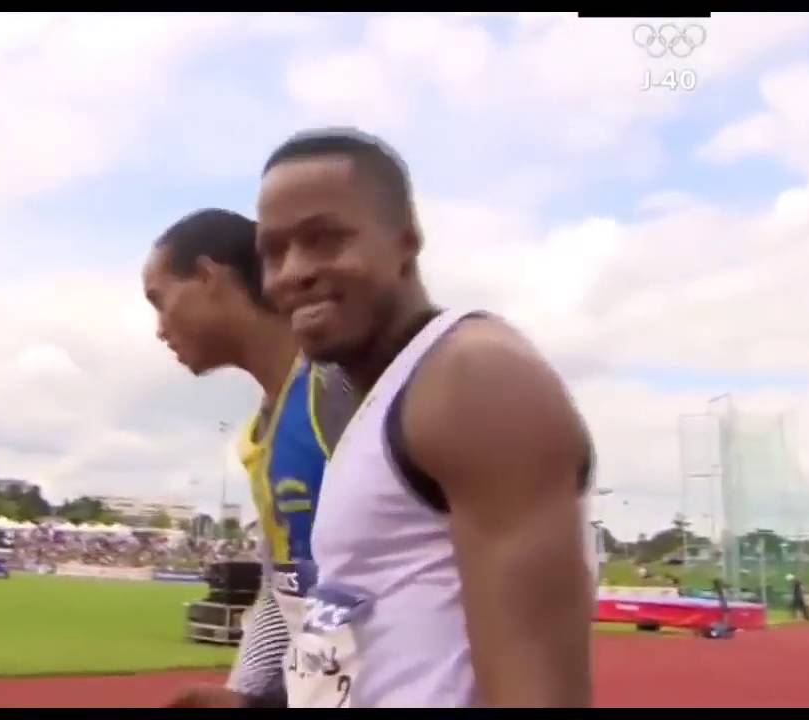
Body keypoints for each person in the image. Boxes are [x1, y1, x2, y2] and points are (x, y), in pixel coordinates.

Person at [254, 128, 597, 708]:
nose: (293, 272)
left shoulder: (476, 379)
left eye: (324, 240)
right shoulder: (390, 396)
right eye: (274, 252)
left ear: (405, 241)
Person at [141, 208, 355, 708]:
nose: (159, 328)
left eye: (160, 300)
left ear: (208, 277)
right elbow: (286, 594)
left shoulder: (342, 391)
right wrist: (245, 697)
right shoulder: (262, 436)